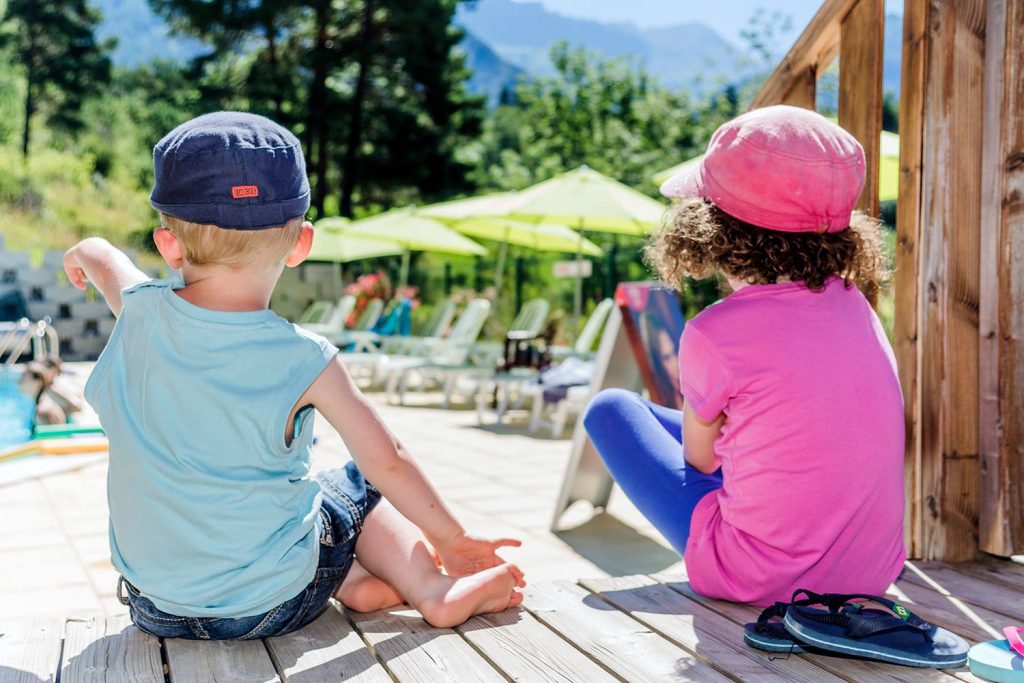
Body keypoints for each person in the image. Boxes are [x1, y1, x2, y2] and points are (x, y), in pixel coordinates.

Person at [63, 112, 524, 640]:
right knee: (351, 484)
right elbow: (390, 462)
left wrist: (86, 251)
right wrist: (453, 540)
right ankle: (430, 588)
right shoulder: (306, 359)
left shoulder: (139, 313)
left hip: (156, 607)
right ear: (301, 243)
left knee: (297, 508)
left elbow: (104, 261)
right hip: (271, 605)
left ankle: (352, 579)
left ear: (169, 245)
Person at [583, 105, 905, 606]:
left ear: (711, 228)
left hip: (759, 579)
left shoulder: (716, 332)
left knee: (612, 411)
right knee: (702, 422)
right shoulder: (855, 306)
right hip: (871, 574)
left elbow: (700, 458)